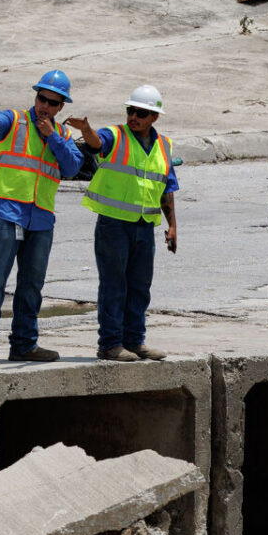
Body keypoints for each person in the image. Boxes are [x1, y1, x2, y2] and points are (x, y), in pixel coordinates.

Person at [0, 70, 84, 365]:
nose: (45, 106)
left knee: (32, 285)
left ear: (61, 107)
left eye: (52, 103)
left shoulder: (63, 135)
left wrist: (52, 137)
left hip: (40, 217)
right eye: (42, 98)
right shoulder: (16, 120)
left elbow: (72, 167)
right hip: (7, 212)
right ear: (36, 97)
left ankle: (24, 344)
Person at [68, 84, 178, 362]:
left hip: (144, 225)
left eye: (141, 113)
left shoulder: (164, 146)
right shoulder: (115, 135)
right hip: (113, 224)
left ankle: (135, 341)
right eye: (131, 111)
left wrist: (173, 226)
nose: (133, 117)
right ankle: (110, 344)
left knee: (140, 286)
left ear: (154, 117)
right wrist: (86, 130)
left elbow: (166, 187)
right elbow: (96, 143)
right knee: (114, 285)